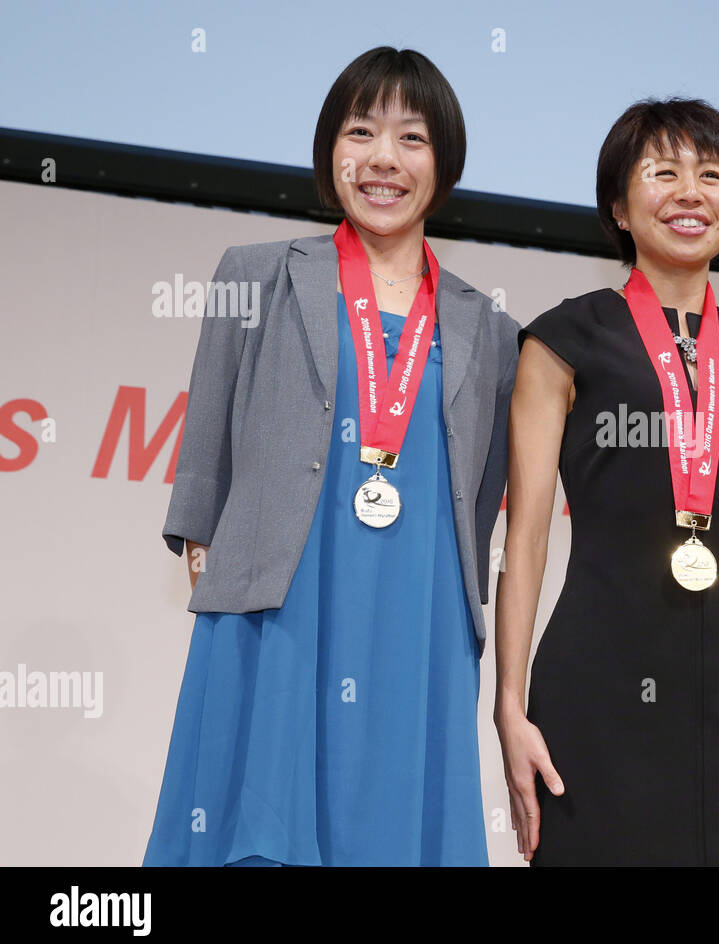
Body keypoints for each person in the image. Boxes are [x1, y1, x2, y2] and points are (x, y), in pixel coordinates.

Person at [144, 47, 519, 866]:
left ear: (443, 163)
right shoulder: (257, 276)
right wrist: (203, 541)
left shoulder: (488, 330)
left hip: (416, 615)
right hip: (280, 600)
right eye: (361, 132)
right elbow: (208, 435)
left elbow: (481, 493)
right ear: (330, 153)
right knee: (259, 824)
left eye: (412, 138)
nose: (384, 159)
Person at [495, 98, 719, 865]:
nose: (690, 193)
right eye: (662, 174)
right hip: (597, 676)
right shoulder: (566, 339)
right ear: (619, 208)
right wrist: (509, 706)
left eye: (712, 175)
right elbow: (527, 538)